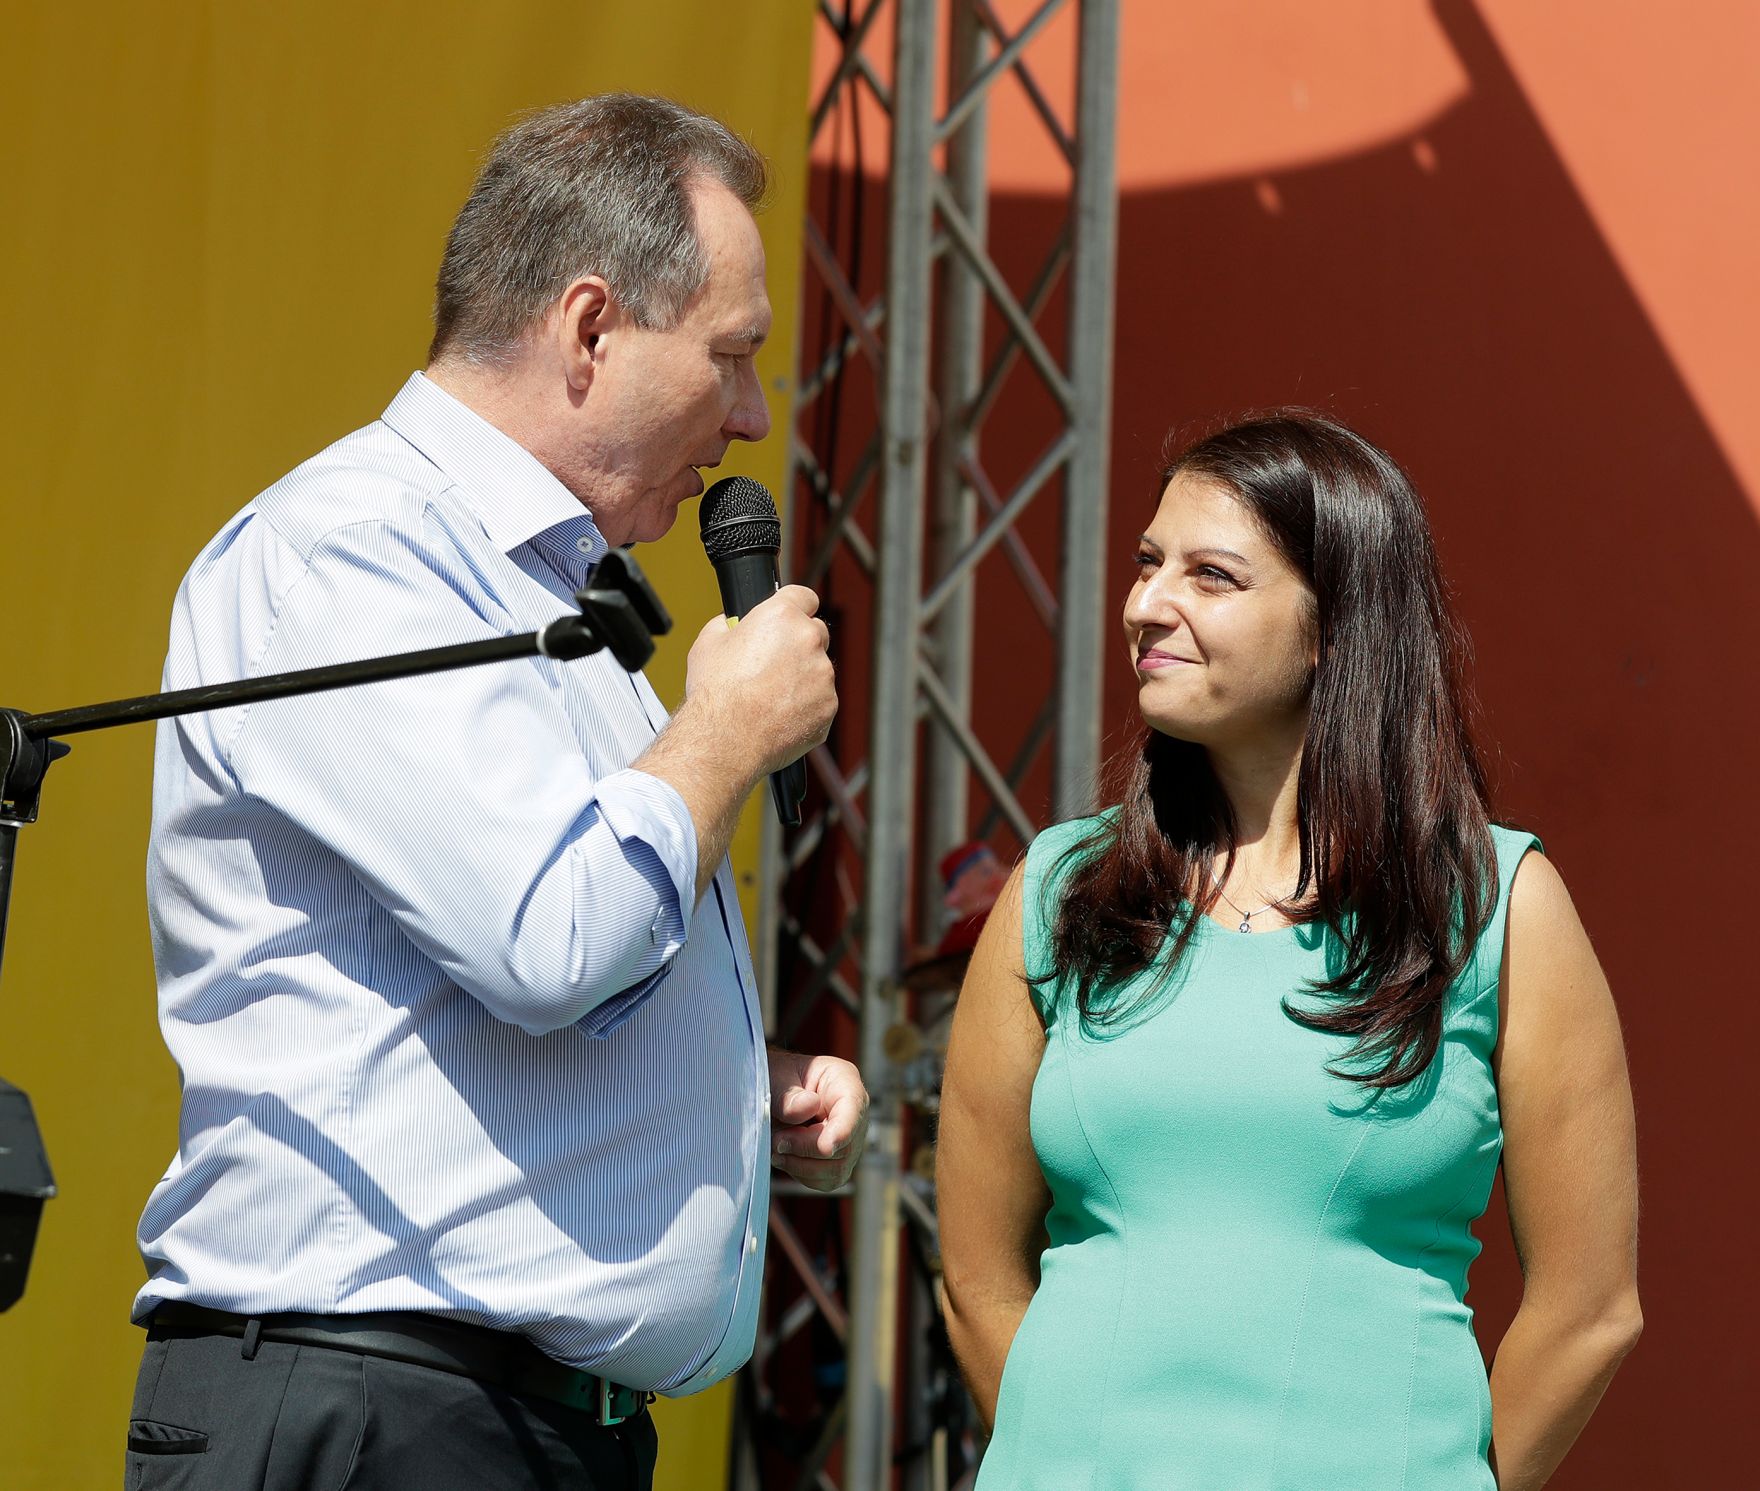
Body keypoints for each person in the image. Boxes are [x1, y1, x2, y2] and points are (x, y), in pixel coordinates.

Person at [126, 94, 868, 1491]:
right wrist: (718, 736)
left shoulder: (538, 586)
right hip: (381, 1402)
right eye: (734, 357)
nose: (756, 416)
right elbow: (551, 940)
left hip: (501, 1419)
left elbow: (471, 989)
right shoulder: (356, 552)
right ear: (591, 329)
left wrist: (715, 1086)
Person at [937, 411, 1642, 1491]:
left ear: (1334, 627)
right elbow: (976, 1280)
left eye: (1210, 575)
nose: (1145, 605)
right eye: (1144, 563)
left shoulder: (1498, 906)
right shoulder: (1056, 894)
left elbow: (1588, 1310)